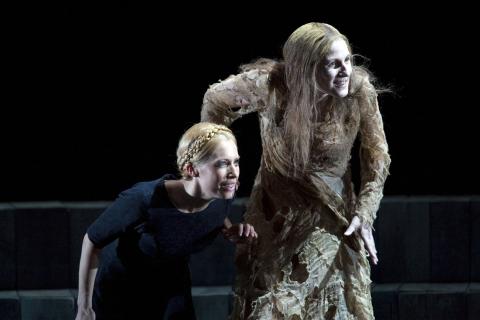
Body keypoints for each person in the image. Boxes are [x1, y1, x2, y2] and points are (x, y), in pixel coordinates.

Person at [201, 22, 391, 319]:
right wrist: (221, 159)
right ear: (305, 69)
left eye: (348, 61)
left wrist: (365, 213)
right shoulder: (271, 86)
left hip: (332, 220)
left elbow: (377, 155)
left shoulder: (359, 92)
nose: (345, 71)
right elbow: (215, 99)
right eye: (333, 64)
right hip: (276, 218)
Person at [75, 122, 258, 320]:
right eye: (222, 163)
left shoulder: (223, 194)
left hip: (172, 284)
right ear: (192, 169)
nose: (234, 172)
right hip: (123, 289)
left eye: (236, 162)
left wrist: (231, 231)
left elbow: (215, 214)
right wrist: (84, 307)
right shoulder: (144, 199)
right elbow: (92, 240)